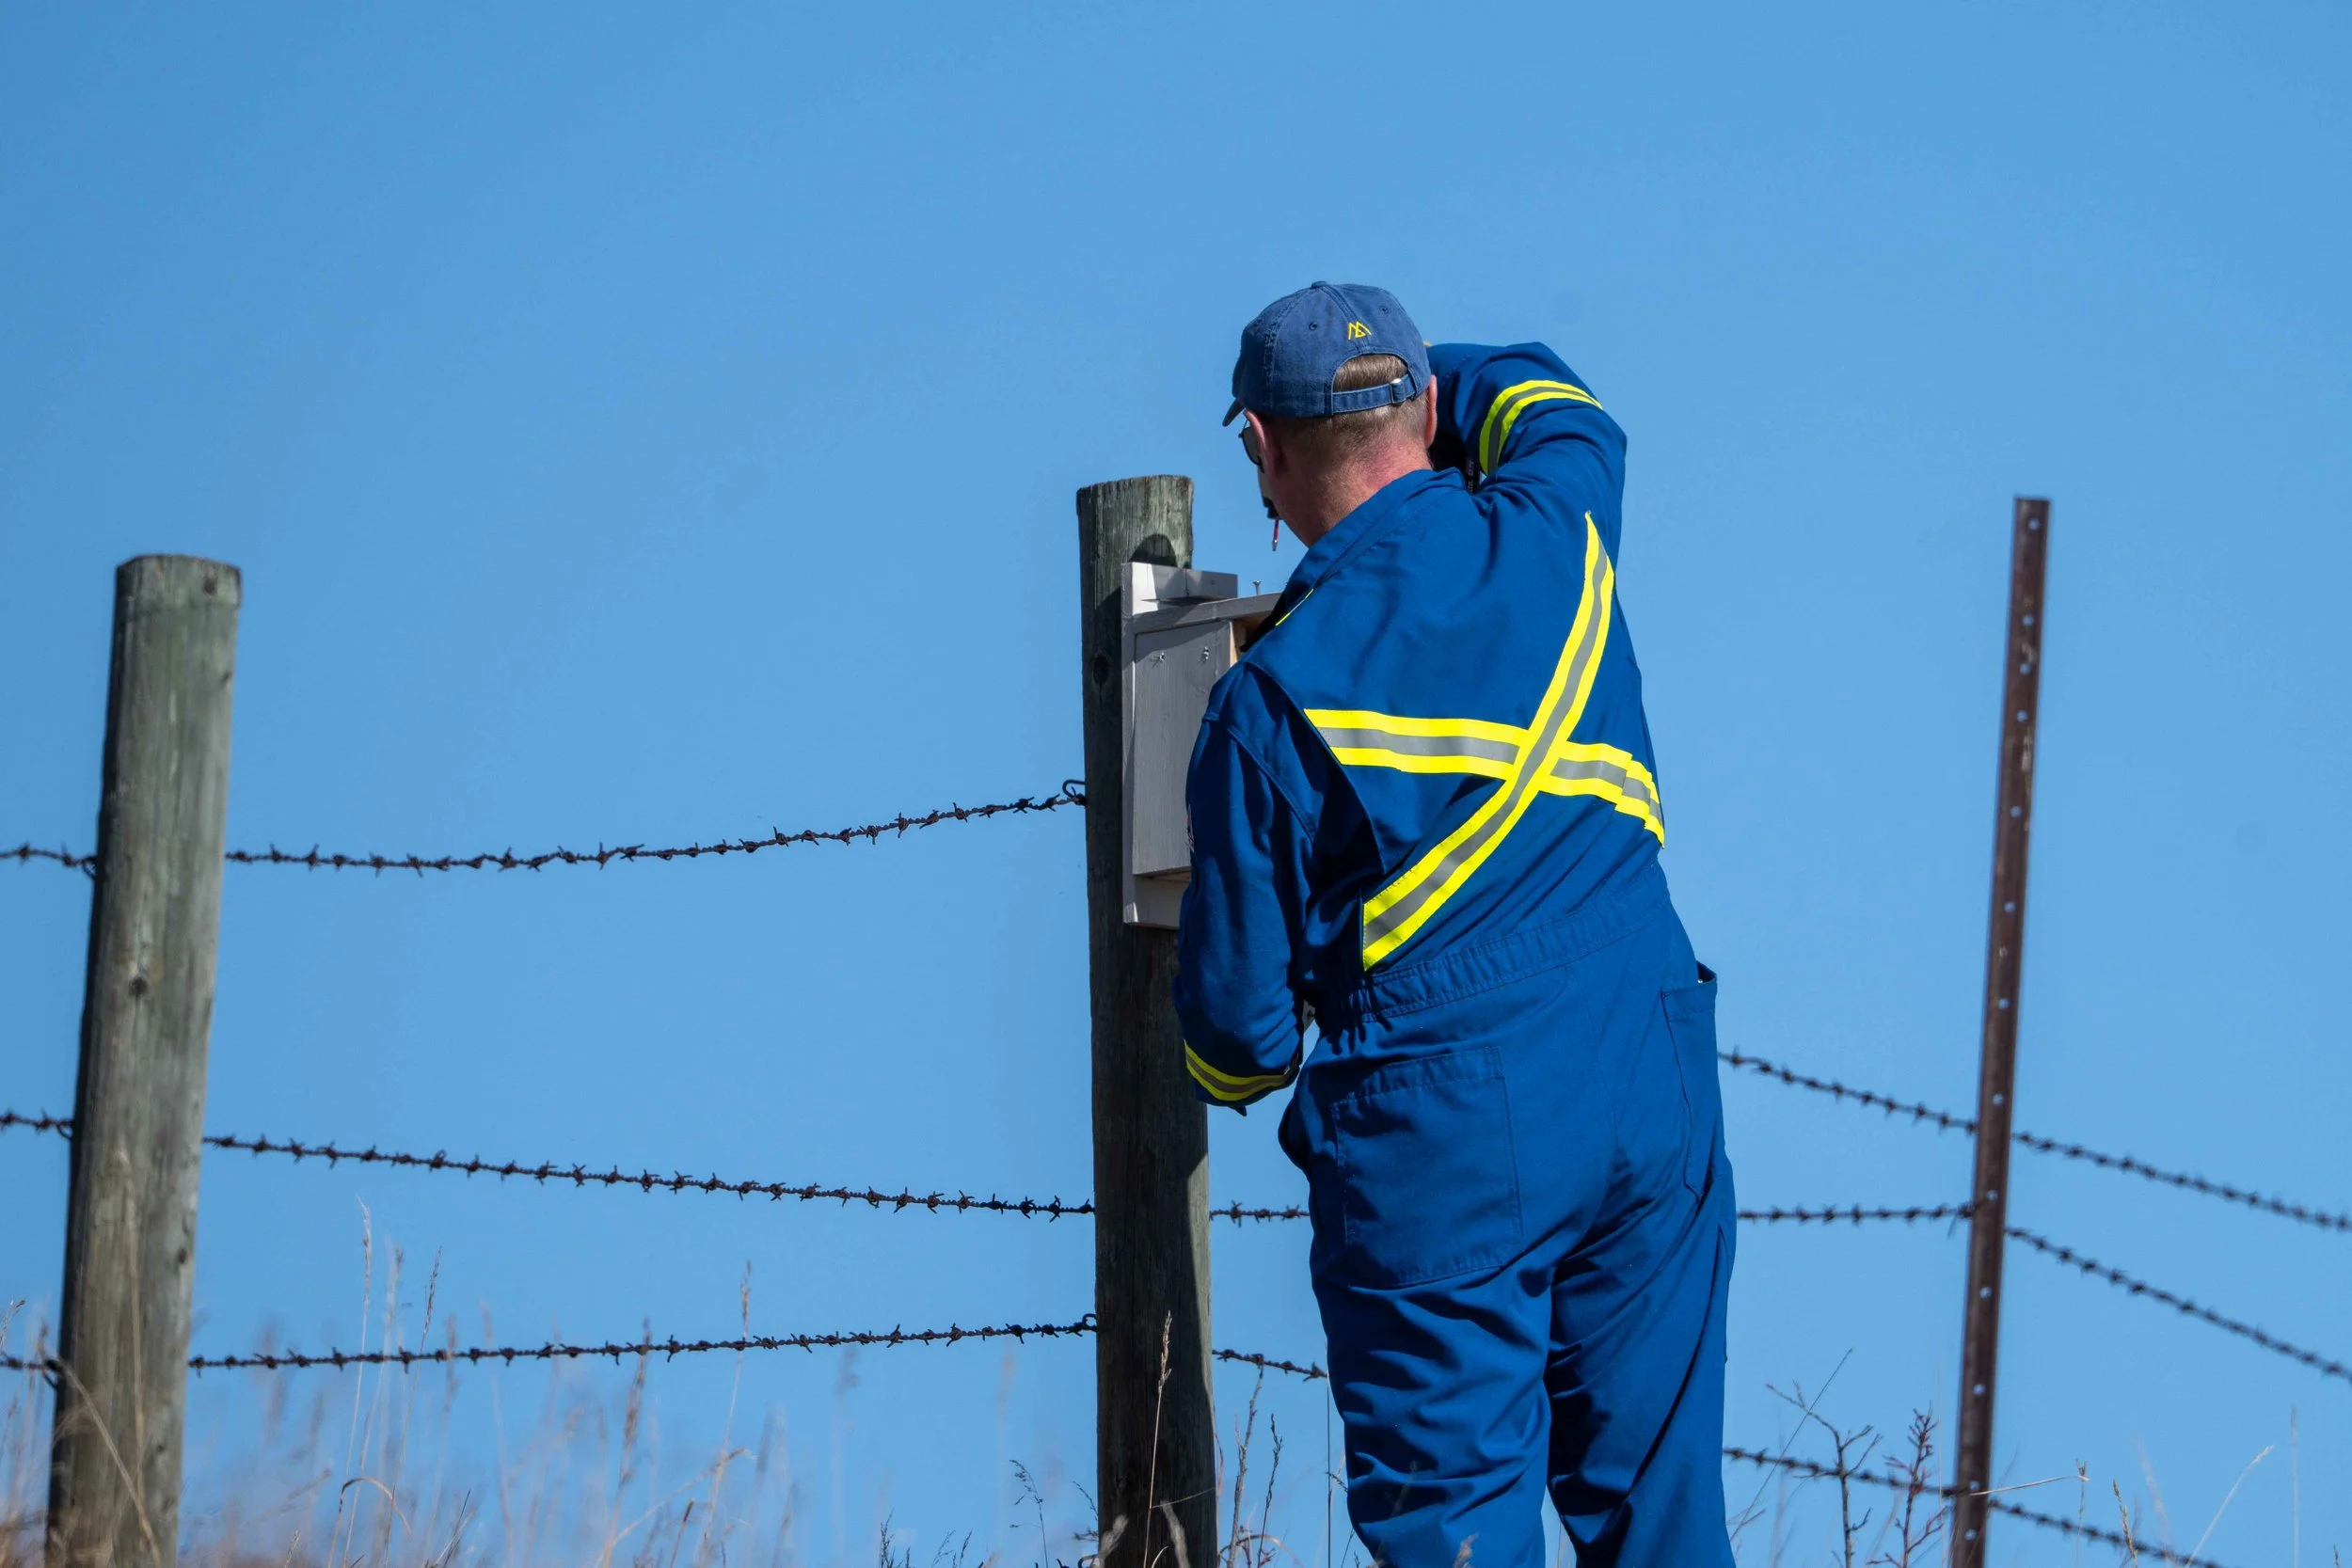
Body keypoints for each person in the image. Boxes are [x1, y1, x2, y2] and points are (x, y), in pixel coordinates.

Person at [1173, 282, 1736, 1568]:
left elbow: (1238, 1044)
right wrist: (1423, 385)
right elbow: (1555, 395)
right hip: (1646, 1059)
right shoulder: (1557, 524)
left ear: (1258, 445)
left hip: (1444, 1117)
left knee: (1457, 1537)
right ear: (1431, 410)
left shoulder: (1266, 706)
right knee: (1663, 1522)